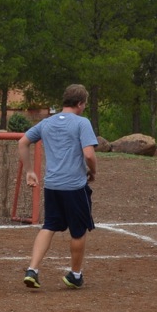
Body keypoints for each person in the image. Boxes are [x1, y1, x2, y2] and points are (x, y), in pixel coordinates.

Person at [19, 84, 99, 289]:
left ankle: (32, 269)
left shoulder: (46, 122)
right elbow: (89, 154)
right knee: (78, 231)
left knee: (49, 226)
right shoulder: (82, 123)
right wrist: (93, 171)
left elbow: (23, 142)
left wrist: (29, 171)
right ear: (79, 103)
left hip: (52, 185)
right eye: (84, 104)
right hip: (74, 186)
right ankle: (75, 275)